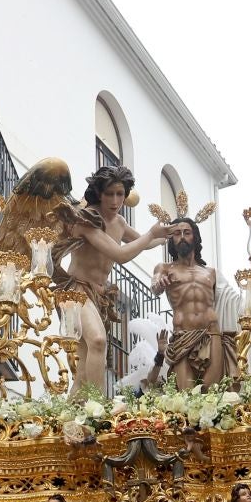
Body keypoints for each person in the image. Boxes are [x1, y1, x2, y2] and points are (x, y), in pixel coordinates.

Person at [60, 165, 170, 391]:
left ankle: (71, 418)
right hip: (75, 291)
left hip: (98, 296)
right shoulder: (86, 219)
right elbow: (121, 255)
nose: (115, 200)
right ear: (99, 193)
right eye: (109, 193)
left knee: (82, 372)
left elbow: (144, 242)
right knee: (98, 342)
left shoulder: (119, 222)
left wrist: (170, 234)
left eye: (120, 194)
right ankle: (99, 407)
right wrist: (152, 233)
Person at [149, 218, 232, 389]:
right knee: (185, 394)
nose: (182, 237)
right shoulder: (165, 268)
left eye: (187, 232)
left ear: (195, 237)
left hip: (212, 333)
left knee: (212, 393)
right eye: (177, 234)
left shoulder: (211, 273)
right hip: (182, 336)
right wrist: (159, 284)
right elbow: (155, 286)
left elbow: (230, 303)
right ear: (172, 239)